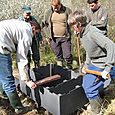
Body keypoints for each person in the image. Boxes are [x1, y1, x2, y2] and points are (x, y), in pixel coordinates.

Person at [68, 10, 115, 114]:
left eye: (73, 26)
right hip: (94, 62)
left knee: (89, 88)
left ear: (79, 24)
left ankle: (97, 111)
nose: (72, 29)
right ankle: (99, 99)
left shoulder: (92, 33)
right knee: (85, 83)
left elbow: (111, 46)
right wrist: (86, 64)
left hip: (102, 63)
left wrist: (107, 68)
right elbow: (90, 50)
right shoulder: (82, 33)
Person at [0, 19, 39, 114]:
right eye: (36, 33)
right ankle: (19, 108)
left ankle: (5, 97)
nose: (35, 36)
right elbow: (21, 58)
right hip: (1, 46)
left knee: (2, 75)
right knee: (8, 79)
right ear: (33, 28)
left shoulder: (20, 24)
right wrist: (27, 80)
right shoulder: (27, 33)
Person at [43, 0, 72, 69]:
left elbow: (72, 20)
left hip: (65, 37)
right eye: (54, 7)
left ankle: (69, 67)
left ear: (60, 5)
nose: (55, 9)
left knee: (67, 54)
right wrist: (47, 35)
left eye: (57, 7)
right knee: (58, 54)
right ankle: (60, 68)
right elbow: (45, 24)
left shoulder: (67, 11)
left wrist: (75, 29)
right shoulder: (48, 12)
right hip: (53, 38)